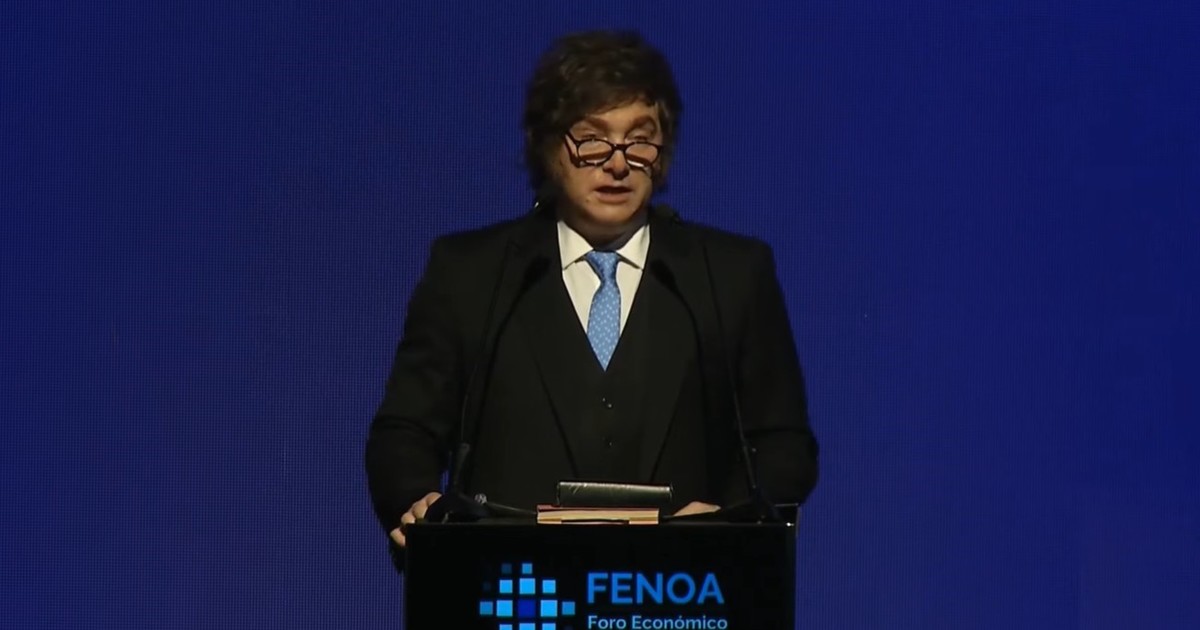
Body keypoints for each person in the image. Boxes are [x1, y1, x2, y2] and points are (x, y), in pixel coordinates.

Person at [364, 29, 818, 568]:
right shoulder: (474, 275)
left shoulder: (728, 276)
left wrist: (730, 519)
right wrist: (418, 500)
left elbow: (784, 444)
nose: (618, 164)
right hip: (516, 587)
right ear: (548, 145)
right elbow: (405, 432)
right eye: (593, 140)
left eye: (639, 140)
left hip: (683, 588)